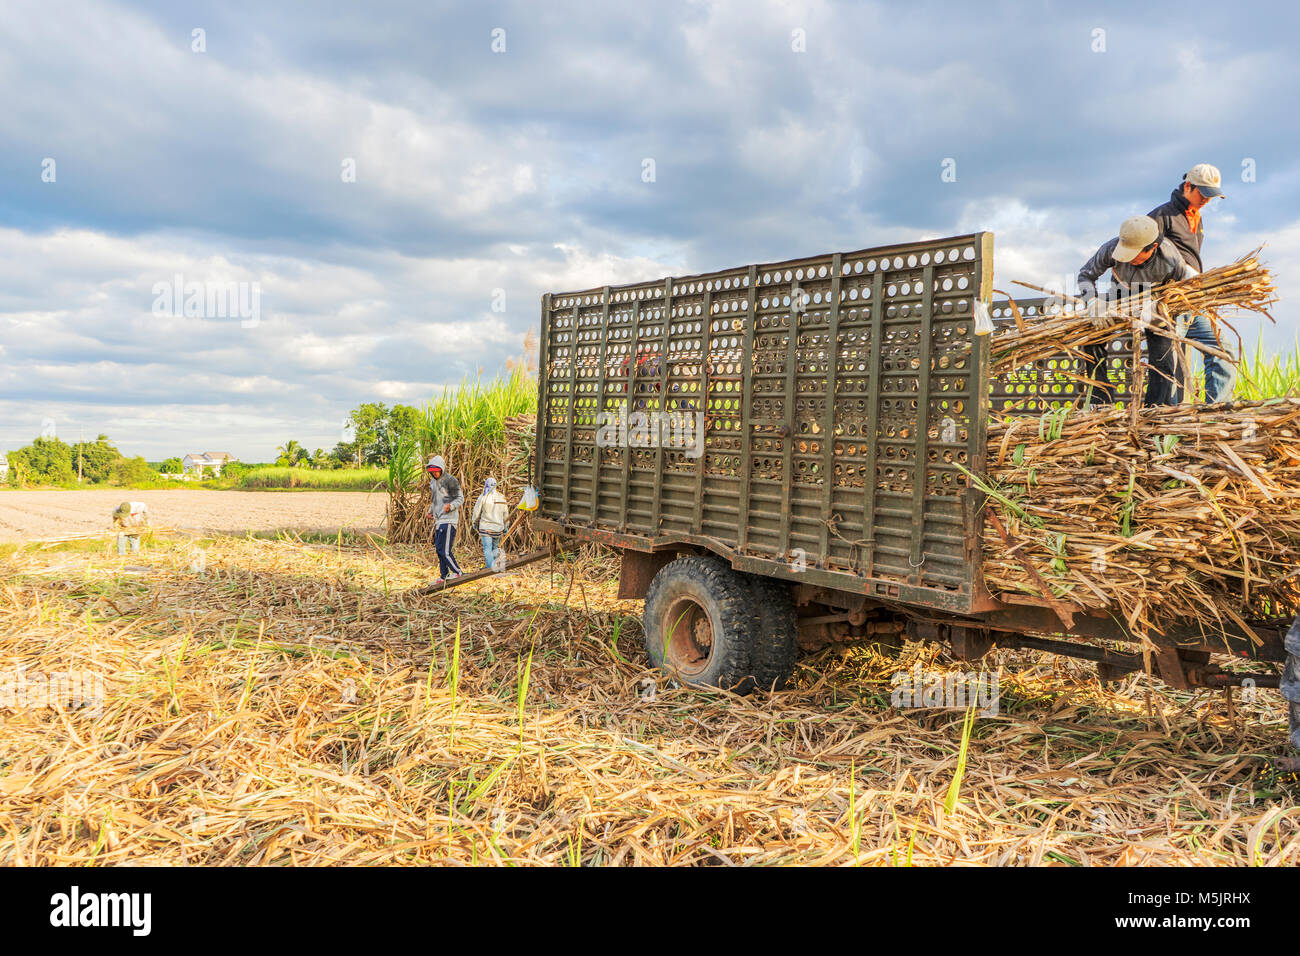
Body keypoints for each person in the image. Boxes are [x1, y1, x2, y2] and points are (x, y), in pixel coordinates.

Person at [1077, 215, 1197, 407]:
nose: (1127, 257)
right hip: (1120, 296)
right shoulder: (1110, 249)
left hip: (1155, 301)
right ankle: (1100, 401)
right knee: (1091, 336)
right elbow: (1085, 275)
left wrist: (1163, 305)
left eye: (1133, 253)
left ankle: (1155, 409)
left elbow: (1183, 290)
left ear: (1152, 248)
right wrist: (1092, 302)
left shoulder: (1171, 258)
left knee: (1163, 355)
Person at [1147, 163, 1230, 402]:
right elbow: (1142, 258)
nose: (1206, 199)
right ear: (1187, 186)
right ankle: (1169, 421)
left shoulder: (1197, 218)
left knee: (1220, 349)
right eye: (1202, 193)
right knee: (1170, 361)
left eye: (1211, 195)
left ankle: (1214, 411)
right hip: (1167, 301)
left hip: (1192, 300)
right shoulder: (1161, 217)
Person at [425, 455, 463, 583]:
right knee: (438, 549)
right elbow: (435, 501)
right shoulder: (433, 482)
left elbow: (460, 498)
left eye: (437, 470)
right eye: (432, 472)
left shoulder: (450, 480)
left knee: (445, 550)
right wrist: (430, 512)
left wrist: (450, 506)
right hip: (439, 520)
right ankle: (444, 576)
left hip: (449, 519)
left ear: (442, 469)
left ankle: (457, 572)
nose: (435, 473)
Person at [471, 476, 510, 571]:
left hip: (486, 527)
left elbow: (476, 512)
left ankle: (490, 569)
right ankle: (494, 567)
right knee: (494, 548)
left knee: (487, 549)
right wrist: (506, 527)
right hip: (497, 528)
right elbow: (506, 515)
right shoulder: (501, 497)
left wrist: (474, 522)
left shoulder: (483, 497)